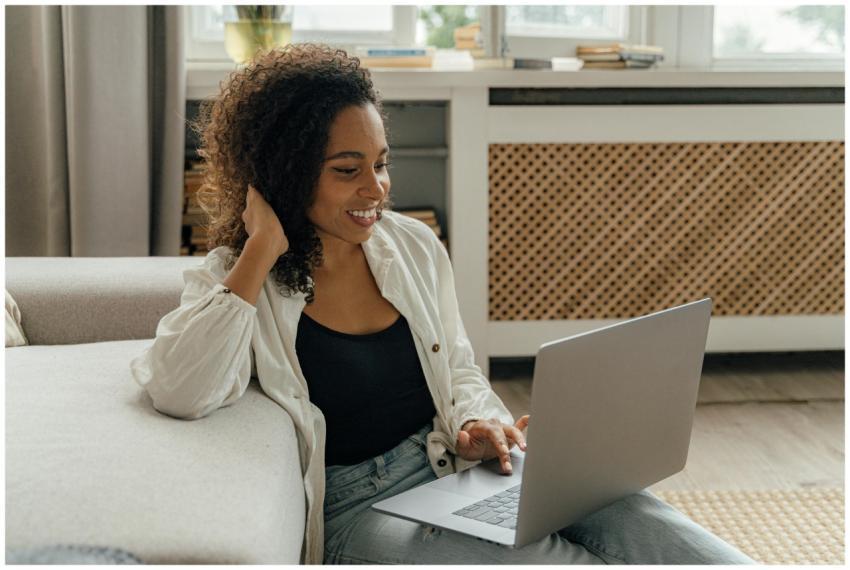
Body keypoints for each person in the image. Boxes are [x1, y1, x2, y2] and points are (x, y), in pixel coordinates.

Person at [131, 43, 753, 565]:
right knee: (533, 557)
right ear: (285, 173)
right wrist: (262, 248)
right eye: (347, 170)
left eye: (381, 164)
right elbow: (180, 388)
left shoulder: (413, 246)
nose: (375, 188)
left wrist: (478, 425)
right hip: (360, 509)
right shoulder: (237, 279)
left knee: (633, 513)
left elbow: (457, 369)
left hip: (451, 465)